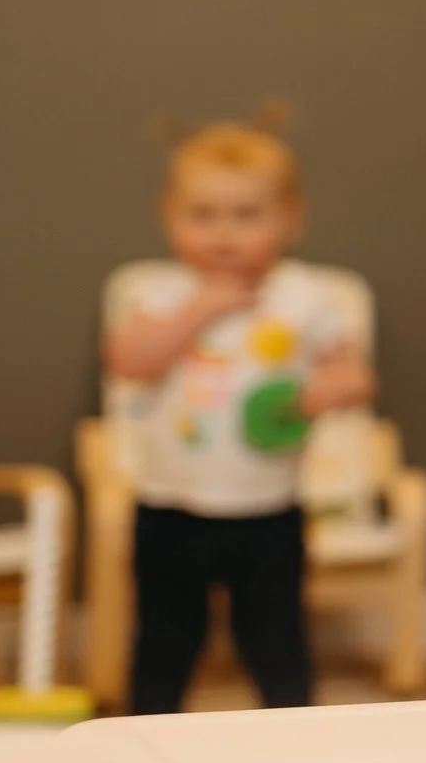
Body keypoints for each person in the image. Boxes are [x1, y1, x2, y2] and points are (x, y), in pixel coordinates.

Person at [105, 117, 374, 712]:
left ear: (289, 218)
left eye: (246, 216)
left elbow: (355, 374)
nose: (223, 235)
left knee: (277, 641)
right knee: (164, 641)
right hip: (170, 504)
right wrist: (200, 309)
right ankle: (149, 733)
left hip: (269, 508)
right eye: (203, 216)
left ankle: (290, 737)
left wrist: (318, 393)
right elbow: (129, 359)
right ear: (169, 216)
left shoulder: (305, 296)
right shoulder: (161, 292)